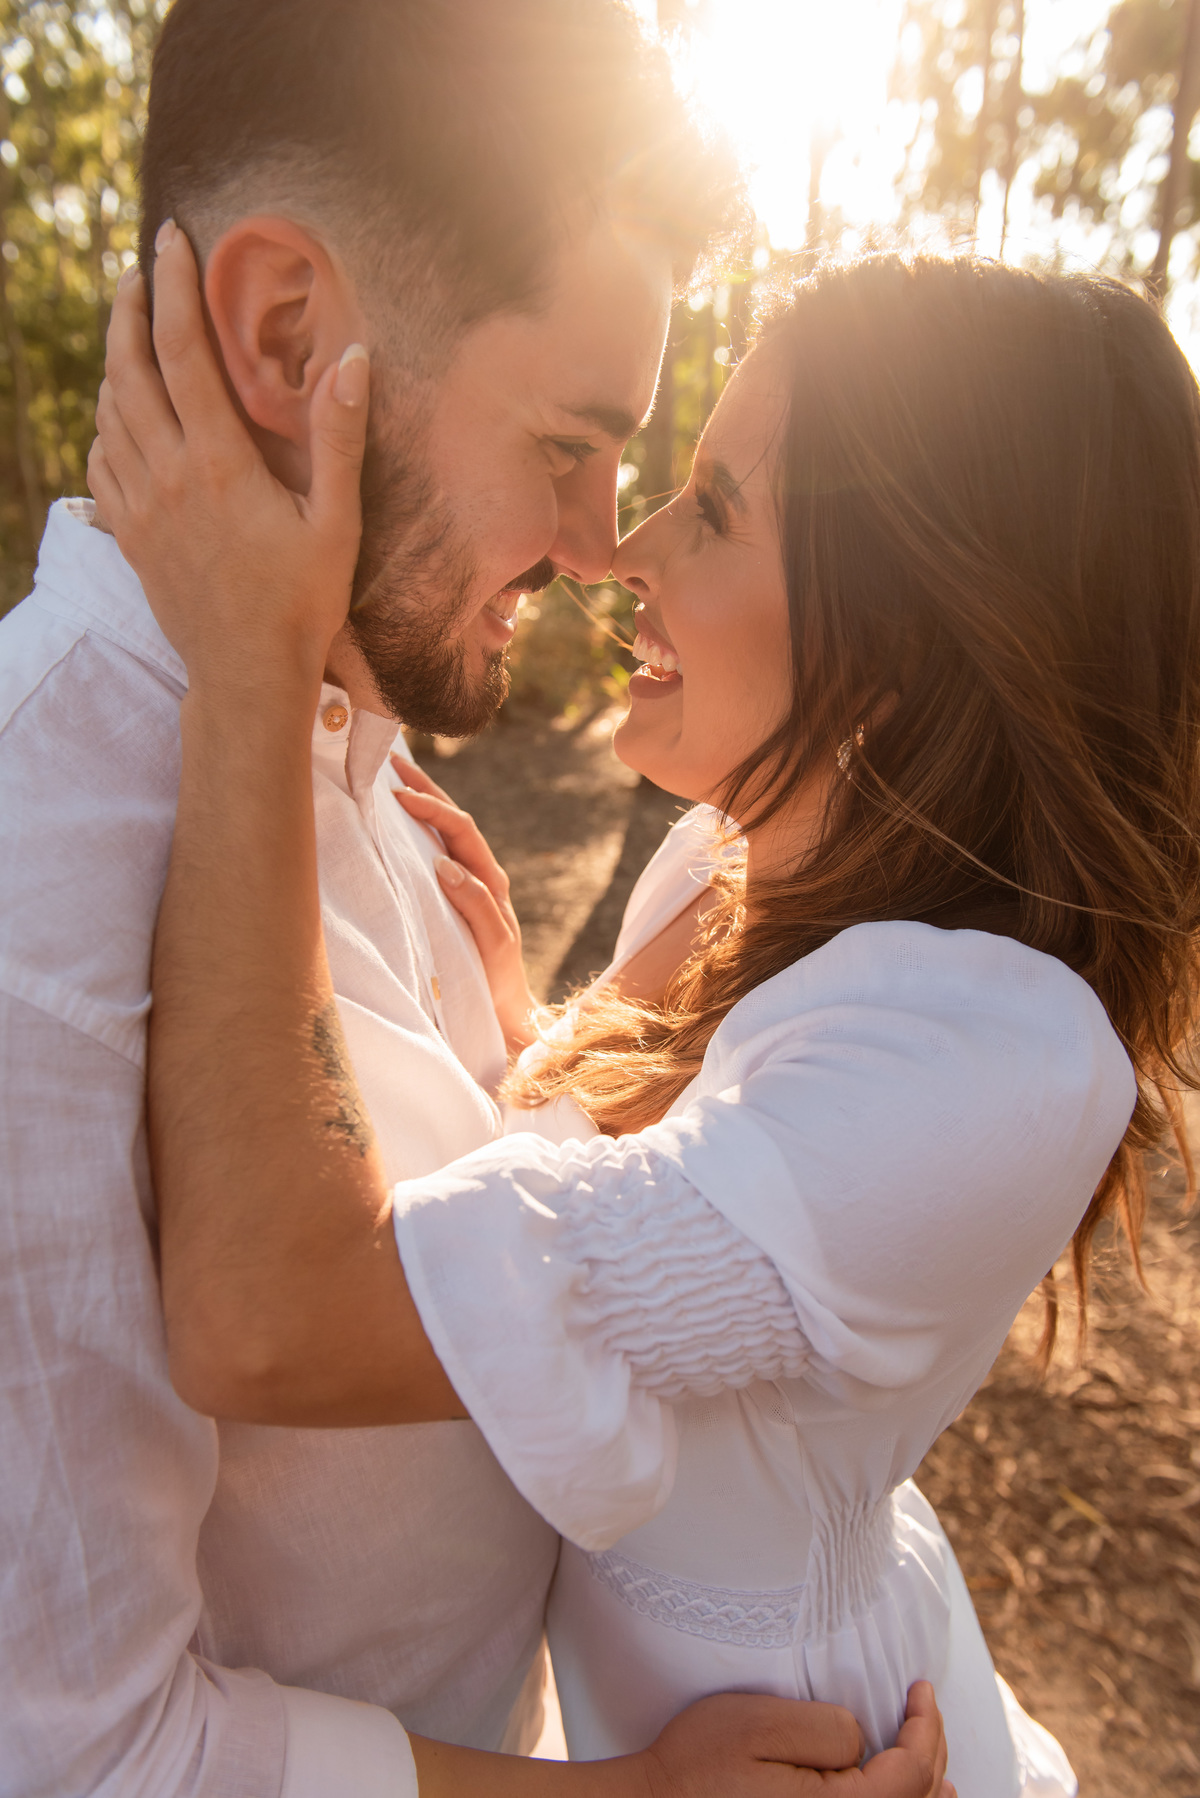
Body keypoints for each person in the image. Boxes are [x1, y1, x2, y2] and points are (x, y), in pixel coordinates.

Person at [92, 227, 1200, 1794]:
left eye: (717, 510)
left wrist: (249, 670)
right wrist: (532, 1027)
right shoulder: (724, 869)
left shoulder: (1000, 1057)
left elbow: (269, 1314)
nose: (629, 551)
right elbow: (658, 1182)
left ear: (898, 651)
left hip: (819, 1752)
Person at [0, 0, 951, 1792]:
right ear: (288, 337)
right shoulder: (32, 880)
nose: (608, 543)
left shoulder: (350, 750)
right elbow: (81, 1756)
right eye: (567, 444)